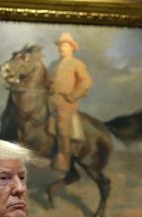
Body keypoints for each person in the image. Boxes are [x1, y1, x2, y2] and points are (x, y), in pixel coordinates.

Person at [49, 32, 93, 172]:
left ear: (72, 48)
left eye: (65, 45)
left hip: (66, 101)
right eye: (60, 45)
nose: (62, 48)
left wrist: (73, 95)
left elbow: (86, 81)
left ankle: (64, 159)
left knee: (62, 126)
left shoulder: (77, 63)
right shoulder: (54, 64)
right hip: (51, 99)